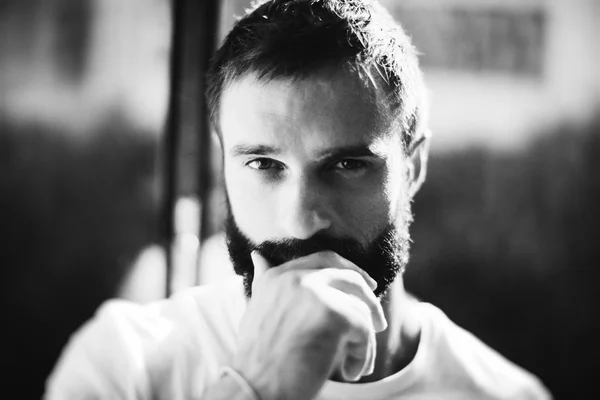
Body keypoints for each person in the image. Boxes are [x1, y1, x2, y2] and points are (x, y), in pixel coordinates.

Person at [44, 1, 552, 399]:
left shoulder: (507, 394)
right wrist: (255, 388)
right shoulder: (122, 366)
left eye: (347, 165)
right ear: (224, 165)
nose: (302, 220)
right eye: (263, 165)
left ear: (413, 166)